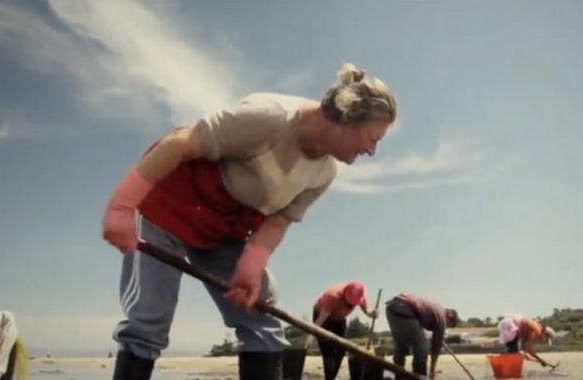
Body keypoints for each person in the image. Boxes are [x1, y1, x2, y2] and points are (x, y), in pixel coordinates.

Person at [102, 63, 397, 380]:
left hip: (224, 232)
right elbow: (180, 144)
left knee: (261, 319)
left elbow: (280, 220)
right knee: (149, 321)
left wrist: (251, 265)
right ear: (347, 117)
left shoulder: (324, 173)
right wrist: (122, 206)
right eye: (372, 138)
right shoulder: (269, 117)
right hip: (172, 209)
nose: (372, 150)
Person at [310, 282, 378, 380]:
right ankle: (330, 378)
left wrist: (372, 313)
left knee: (341, 350)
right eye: (348, 303)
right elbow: (321, 319)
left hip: (340, 319)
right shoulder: (332, 296)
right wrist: (312, 334)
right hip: (324, 319)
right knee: (329, 351)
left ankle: (333, 377)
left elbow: (367, 310)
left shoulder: (360, 295)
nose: (350, 306)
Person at [385, 293, 458, 379]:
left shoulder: (435, 310)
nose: (446, 327)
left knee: (402, 348)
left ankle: (398, 375)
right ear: (450, 316)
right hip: (405, 310)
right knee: (422, 348)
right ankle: (419, 376)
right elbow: (436, 348)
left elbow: (421, 323)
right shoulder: (442, 317)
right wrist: (432, 370)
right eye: (449, 325)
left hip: (391, 309)